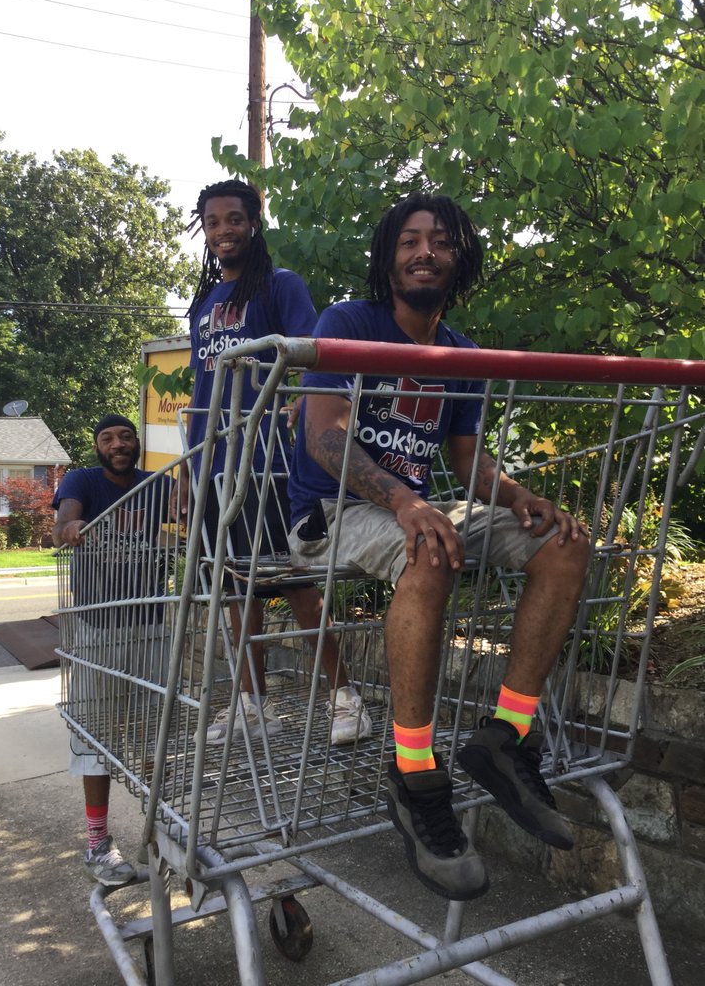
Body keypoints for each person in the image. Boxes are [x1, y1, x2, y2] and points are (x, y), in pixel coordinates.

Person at [287, 192, 591, 900]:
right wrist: (403, 500)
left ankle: (506, 738)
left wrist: (520, 497)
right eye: (410, 240)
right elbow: (324, 434)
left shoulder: (460, 353)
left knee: (565, 545)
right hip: (333, 511)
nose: (426, 251)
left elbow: (470, 462)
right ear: (388, 257)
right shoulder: (348, 324)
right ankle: (415, 773)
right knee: (429, 547)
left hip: (418, 507)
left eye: (442, 241)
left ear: (461, 257)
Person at [178, 178, 371, 747]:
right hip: (212, 463)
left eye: (234, 219)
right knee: (236, 587)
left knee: (294, 580)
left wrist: (298, 402)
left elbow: (313, 354)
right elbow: (202, 386)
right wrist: (189, 470)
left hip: (265, 459)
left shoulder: (280, 285)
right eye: (213, 222)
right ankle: (251, 703)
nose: (223, 231)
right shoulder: (204, 304)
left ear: (253, 224)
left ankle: (346, 698)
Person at [52, 414, 170, 886]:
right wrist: (72, 527)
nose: (118, 444)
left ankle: (160, 827)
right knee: (95, 737)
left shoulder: (157, 483)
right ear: (97, 447)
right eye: (107, 438)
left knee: (156, 732)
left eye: (125, 436)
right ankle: (97, 843)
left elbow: (194, 508)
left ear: (136, 442)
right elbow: (63, 524)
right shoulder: (82, 480)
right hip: (99, 627)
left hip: (151, 623)